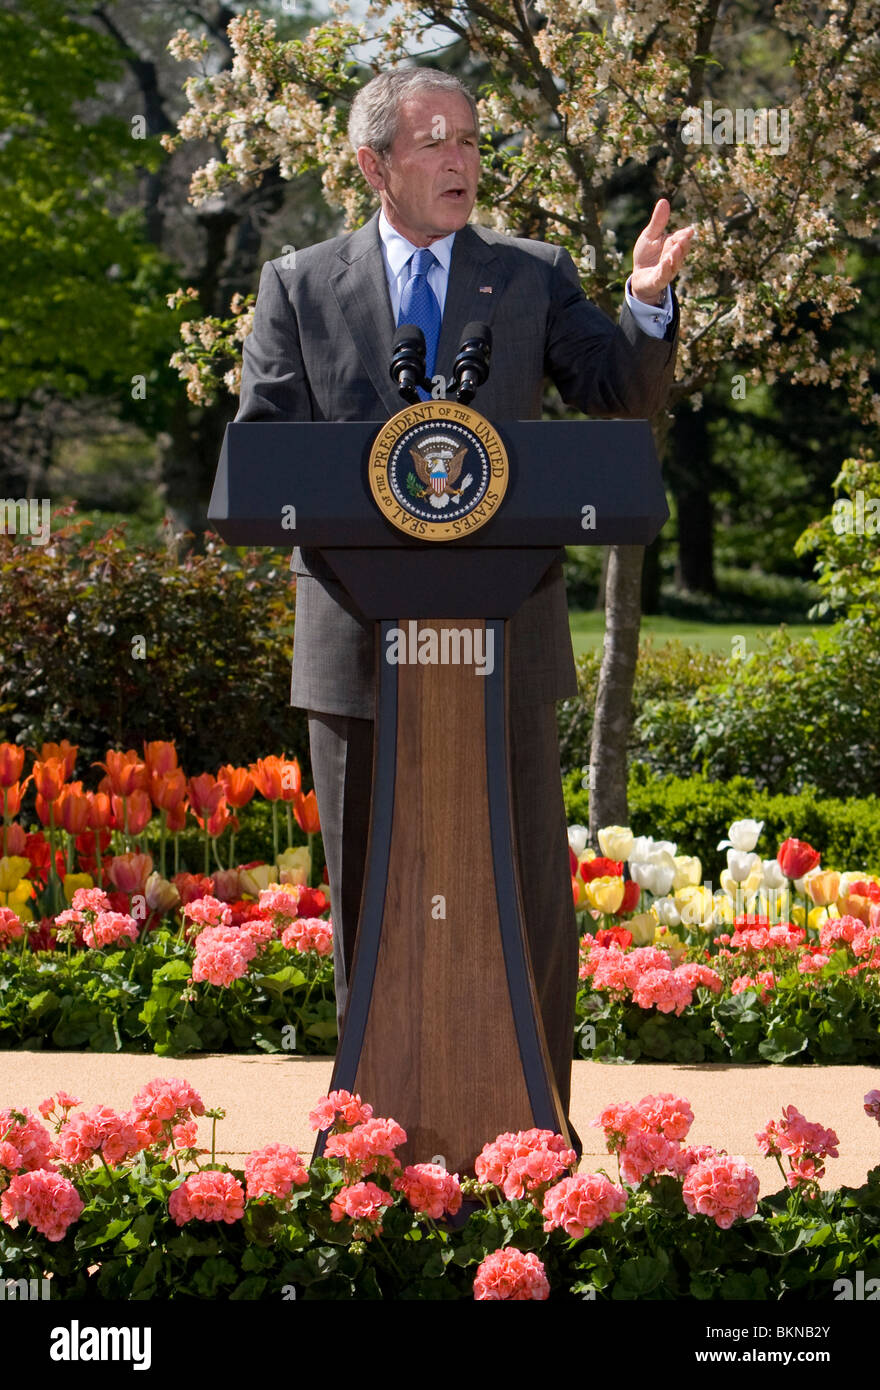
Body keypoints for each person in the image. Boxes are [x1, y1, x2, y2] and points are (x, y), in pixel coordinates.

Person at [235, 67, 692, 1140]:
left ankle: (538, 1145)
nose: (459, 161)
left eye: (472, 143)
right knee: (372, 909)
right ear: (372, 165)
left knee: (527, 902)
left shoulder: (529, 276)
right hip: (354, 644)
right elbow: (263, 459)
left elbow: (617, 392)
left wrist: (644, 304)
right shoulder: (298, 284)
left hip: (508, 634)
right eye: (433, 142)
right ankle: (373, 1142)